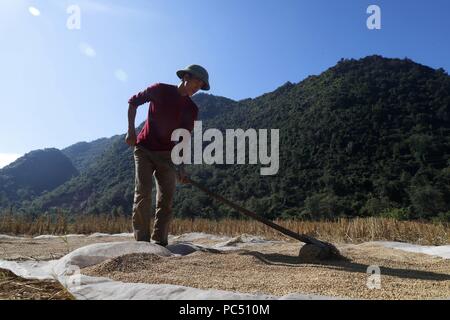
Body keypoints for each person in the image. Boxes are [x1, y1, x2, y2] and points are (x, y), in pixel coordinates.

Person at [125, 64, 210, 246]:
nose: (198, 88)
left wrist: (181, 168)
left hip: (168, 156)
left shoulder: (191, 109)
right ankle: (142, 242)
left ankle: (160, 243)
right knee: (143, 193)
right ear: (185, 77)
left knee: (166, 199)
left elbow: (183, 140)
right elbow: (133, 102)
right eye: (196, 82)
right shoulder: (160, 90)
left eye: (201, 85)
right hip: (144, 149)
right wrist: (131, 132)